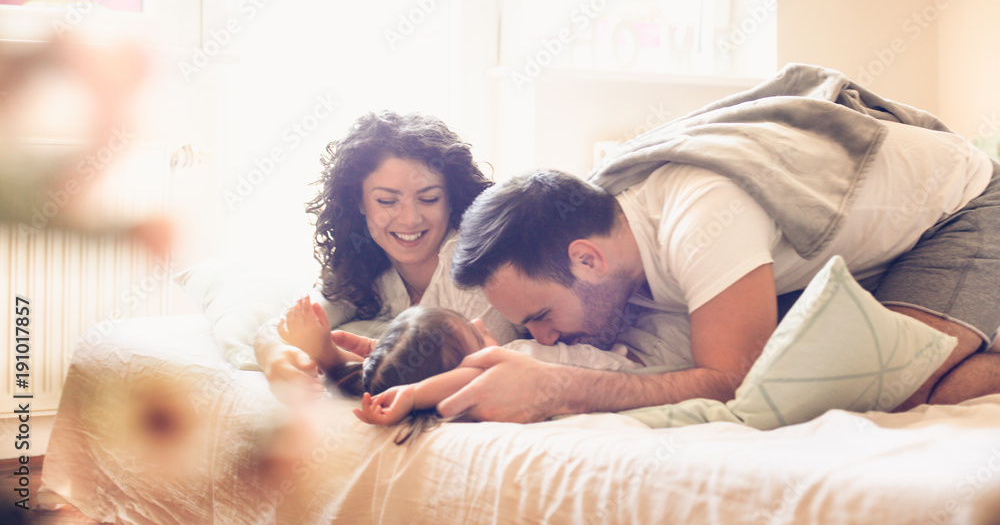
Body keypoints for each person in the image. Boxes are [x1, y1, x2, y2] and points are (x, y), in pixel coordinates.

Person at [436, 64, 1000, 423]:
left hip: (962, 209)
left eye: (540, 317)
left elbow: (736, 382)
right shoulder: (601, 233)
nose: (543, 335)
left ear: (588, 259)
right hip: (855, 250)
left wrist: (562, 390)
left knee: (885, 386)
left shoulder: (703, 212)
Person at [253, 111, 518, 401]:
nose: (410, 219)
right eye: (387, 201)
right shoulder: (367, 263)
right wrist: (272, 351)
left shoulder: (471, 267)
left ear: (451, 199)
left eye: (429, 198)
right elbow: (294, 320)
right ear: (359, 202)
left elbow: (488, 376)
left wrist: (332, 357)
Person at [278, 296, 658, 442]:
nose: (479, 322)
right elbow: (473, 378)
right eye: (474, 339)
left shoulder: (504, 355)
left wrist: (363, 358)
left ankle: (336, 359)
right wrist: (411, 394)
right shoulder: (493, 376)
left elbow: (395, 377)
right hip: (636, 372)